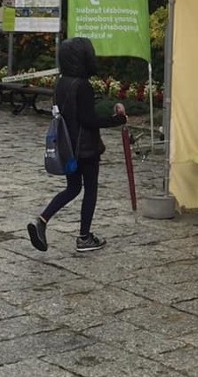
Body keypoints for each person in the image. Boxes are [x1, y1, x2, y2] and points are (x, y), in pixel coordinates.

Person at [27, 37, 127, 253]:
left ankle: (42, 220)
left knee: (73, 187)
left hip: (68, 147)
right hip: (86, 148)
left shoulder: (62, 83)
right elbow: (88, 120)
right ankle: (84, 237)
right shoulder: (83, 86)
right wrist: (117, 120)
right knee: (90, 189)